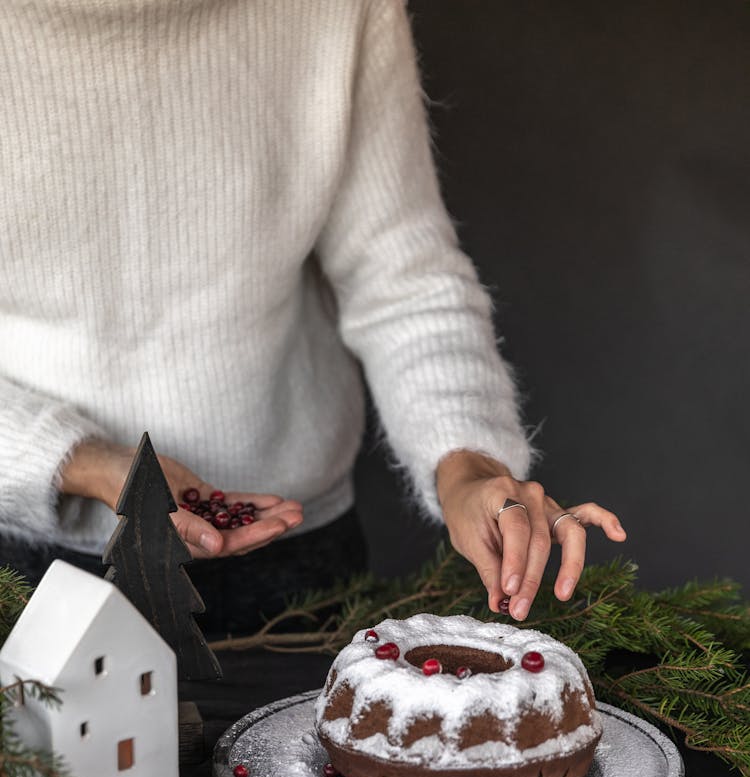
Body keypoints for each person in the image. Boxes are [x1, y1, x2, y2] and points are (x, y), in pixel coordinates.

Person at [0, 0, 624, 636]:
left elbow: (402, 279)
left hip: (296, 560)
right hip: (23, 566)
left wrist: (469, 468)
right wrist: (78, 460)